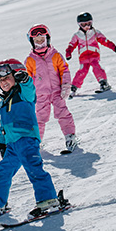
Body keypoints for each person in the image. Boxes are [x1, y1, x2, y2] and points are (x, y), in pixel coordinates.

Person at [0, 59, 60, 221]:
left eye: (6, 77)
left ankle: (48, 200)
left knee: (34, 170)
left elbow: (30, 89)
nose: (3, 82)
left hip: (27, 141)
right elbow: (3, 125)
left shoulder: (23, 95)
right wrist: (1, 141)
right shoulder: (3, 103)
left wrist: (24, 79)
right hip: (11, 145)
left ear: (16, 76)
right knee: (2, 174)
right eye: (0, 80)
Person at [24, 24, 77, 152]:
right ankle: (36, 141)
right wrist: (28, 96)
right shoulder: (30, 60)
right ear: (32, 42)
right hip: (41, 95)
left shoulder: (55, 55)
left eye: (42, 39)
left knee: (62, 113)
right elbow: (27, 80)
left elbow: (64, 70)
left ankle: (70, 136)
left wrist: (65, 85)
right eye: (37, 41)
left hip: (57, 91)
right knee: (39, 118)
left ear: (48, 39)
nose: (40, 43)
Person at [65, 12, 116, 98]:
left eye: (89, 24)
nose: (87, 27)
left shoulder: (95, 33)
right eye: (84, 24)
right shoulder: (77, 35)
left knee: (96, 67)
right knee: (82, 71)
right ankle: (74, 87)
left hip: (94, 56)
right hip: (83, 57)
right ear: (79, 25)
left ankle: (103, 83)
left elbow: (104, 41)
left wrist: (113, 47)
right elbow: (71, 45)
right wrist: (68, 53)